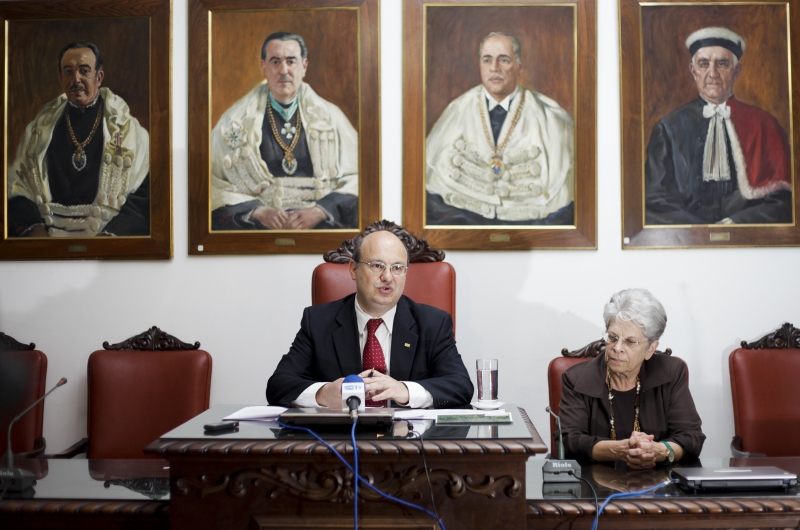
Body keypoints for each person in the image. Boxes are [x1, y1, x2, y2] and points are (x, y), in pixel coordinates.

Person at [266, 229, 474, 408]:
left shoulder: (433, 323)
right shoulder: (318, 321)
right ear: (353, 269)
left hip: (410, 443)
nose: (388, 277)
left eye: (397, 268)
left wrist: (403, 390)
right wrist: (323, 394)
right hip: (339, 443)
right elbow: (279, 385)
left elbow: (460, 386)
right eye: (377, 265)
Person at [211, 32, 358, 230]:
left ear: (304, 66)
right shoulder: (233, 122)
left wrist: (321, 211)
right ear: (263, 67)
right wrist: (256, 211)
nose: (284, 70)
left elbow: (358, 179)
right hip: (259, 230)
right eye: (275, 62)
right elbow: (213, 184)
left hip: (321, 228)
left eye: (291, 61)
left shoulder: (332, 118)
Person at [645, 27, 792, 225]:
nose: (712, 73)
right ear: (693, 71)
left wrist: (737, 224)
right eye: (704, 64)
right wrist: (701, 232)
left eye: (722, 64)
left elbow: (785, 203)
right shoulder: (668, 129)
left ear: (736, 71)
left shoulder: (764, 125)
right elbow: (653, 202)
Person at [425, 31, 574, 225]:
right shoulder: (456, 111)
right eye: (487, 60)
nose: (494, 68)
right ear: (479, 65)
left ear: (519, 67)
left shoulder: (552, 120)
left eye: (504, 60)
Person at [7, 42, 150, 237]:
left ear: (99, 77)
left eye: (84, 71)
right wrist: (35, 229)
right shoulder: (38, 131)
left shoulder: (129, 131)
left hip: (107, 242)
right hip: (47, 244)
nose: (76, 79)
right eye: (68, 72)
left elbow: (144, 200)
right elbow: (16, 189)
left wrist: (109, 238)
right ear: (60, 77)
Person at [559, 288, 705, 468]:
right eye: (612, 337)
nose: (617, 347)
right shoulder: (577, 379)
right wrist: (619, 450)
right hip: (594, 488)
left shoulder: (671, 372)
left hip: (658, 487)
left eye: (630, 341)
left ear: (651, 348)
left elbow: (691, 438)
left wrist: (659, 451)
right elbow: (570, 442)